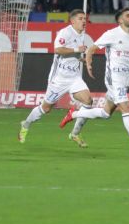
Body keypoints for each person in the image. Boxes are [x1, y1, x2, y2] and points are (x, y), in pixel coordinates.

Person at [60, 8, 129, 156]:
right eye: (128, 15)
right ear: (120, 20)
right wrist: (89, 65)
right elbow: (91, 49)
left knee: (105, 113)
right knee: (126, 109)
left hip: (125, 80)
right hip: (113, 79)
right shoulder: (112, 34)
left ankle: (74, 114)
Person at [20, 9, 95, 147]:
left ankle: (75, 133)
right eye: (80, 18)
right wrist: (77, 50)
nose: (84, 21)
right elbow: (58, 49)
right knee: (46, 108)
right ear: (72, 21)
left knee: (88, 101)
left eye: (84, 18)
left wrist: (84, 60)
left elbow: (75, 54)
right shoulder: (65, 32)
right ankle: (26, 124)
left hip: (74, 78)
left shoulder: (81, 34)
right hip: (59, 79)